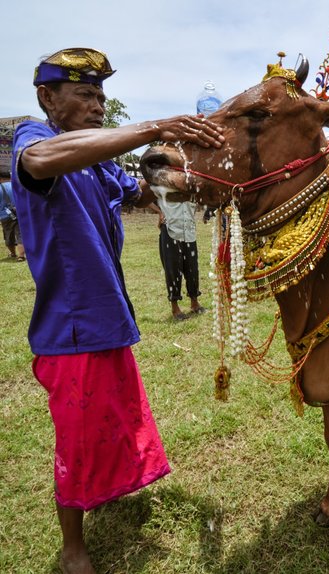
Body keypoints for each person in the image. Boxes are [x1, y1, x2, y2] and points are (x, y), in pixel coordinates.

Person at [11, 47, 224, 574]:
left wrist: (200, 182)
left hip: (106, 318)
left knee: (113, 422)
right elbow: (40, 163)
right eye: (84, 93)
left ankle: (109, 492)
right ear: (47, 98)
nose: (98, 103)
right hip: (71, 327)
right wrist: (153, 127)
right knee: (78, 441)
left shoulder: (97, 161)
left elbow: (143, 189)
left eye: (101, 94)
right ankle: (72, 548)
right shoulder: (34, 142)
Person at [149, 197, 206, 320]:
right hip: (171, 231)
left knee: (193, 269)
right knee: (173, 270)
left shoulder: (190, 187)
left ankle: (194, 303)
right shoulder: (163, 185)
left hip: (189, 232)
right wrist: (159, 212)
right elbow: (140, 196)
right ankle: (175, 308)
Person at [0, 176, 25, 260]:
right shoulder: (17, 185)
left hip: (5, 215)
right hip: (19, 212)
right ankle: (21, 255)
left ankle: (13, 253)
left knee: (8, 235)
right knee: (20, 234)